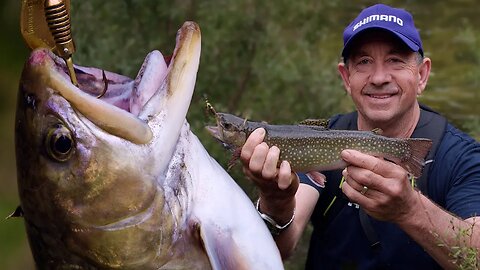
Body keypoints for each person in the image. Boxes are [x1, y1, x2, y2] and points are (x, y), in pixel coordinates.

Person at [240, 3, 480, 269]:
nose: (378, 77)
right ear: (346, 78)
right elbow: (279, 248)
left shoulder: (462, 158)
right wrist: (276, 201)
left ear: (422, 75)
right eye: (364, 62)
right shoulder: (316, 139)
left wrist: (410, 210)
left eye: (395, 60)